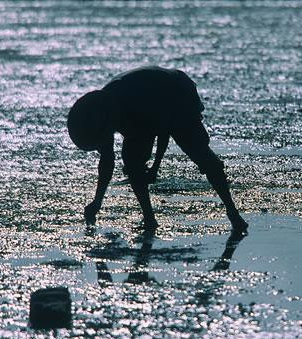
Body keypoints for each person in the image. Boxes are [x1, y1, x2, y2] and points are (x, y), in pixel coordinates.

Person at [67, 66, 248, 232]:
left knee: (204, 157)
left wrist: (155, 167)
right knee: (132, 163)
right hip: (144, 110)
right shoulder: (102, 110)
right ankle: (149, 218)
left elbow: (164, 130)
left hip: (176, 93)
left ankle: (233, 212)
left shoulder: (137, 103)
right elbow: (107, 161)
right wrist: (97, 202)